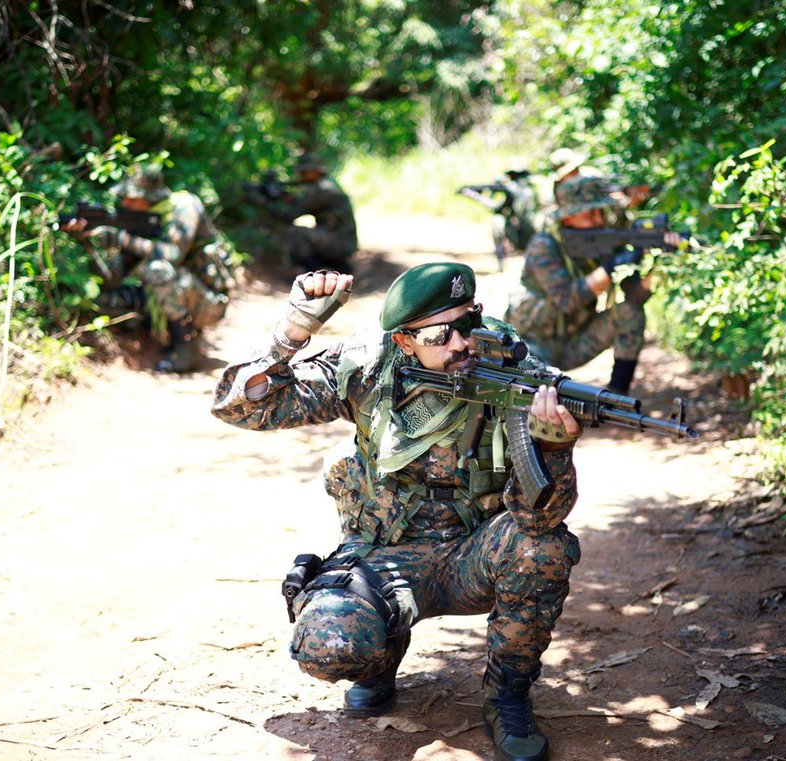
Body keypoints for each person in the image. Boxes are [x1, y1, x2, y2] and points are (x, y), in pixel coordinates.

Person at [211, 263, 583, 761]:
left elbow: (539, 518)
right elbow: (244, 408)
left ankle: (508, 695)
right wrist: (295, 329)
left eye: (468, 323)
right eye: (439, 334)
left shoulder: (514, 373)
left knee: (544, 548)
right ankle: (377, 659)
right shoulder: (367, 365)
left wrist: (553, 447)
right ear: (405, 342)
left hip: (474, 555)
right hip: (385, 556)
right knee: (328, 644)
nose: (460, 344)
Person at [504, 174, 668, 394]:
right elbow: (566, 300)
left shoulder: (601, 242)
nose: (599, 219)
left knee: (630, 313)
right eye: (590, 213)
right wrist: (608, 268)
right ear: (568, 218)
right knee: (536, 393)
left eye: (601, 212)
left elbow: (634, 297)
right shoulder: (545, 245)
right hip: (532, 346)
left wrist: (657, 270)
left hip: (576, 342)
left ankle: (617, 398)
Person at [64, 165, 234, 373]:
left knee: (158, 269)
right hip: (178, 296)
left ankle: (186, 346)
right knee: (106, 300)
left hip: (209, 304)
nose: (125, 202)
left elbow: (173, 254)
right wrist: (87, 244)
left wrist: (121, 238)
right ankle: (152, 337)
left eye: (131, 197)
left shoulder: (184, 206)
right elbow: (110, 280)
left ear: (150, 195)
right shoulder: (137, 221)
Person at [244, 152, 358, 272]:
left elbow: (288, 216)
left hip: (340, 242)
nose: (301, 175)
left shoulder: (323, 190)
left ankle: (313, 271)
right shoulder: (326, 185)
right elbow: (303, 203)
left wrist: (261, 201)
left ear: (315, 171)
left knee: (294, 233)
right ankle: (330, 266)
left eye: (305, 171)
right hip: (340, 239)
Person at [457, 168, 538, 271]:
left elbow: (496, 208)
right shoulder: (530, 191)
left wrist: (476, 196)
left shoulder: (514, 190)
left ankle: (501, 262)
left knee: (497, 222)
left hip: (522, 229)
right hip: (527, 227)